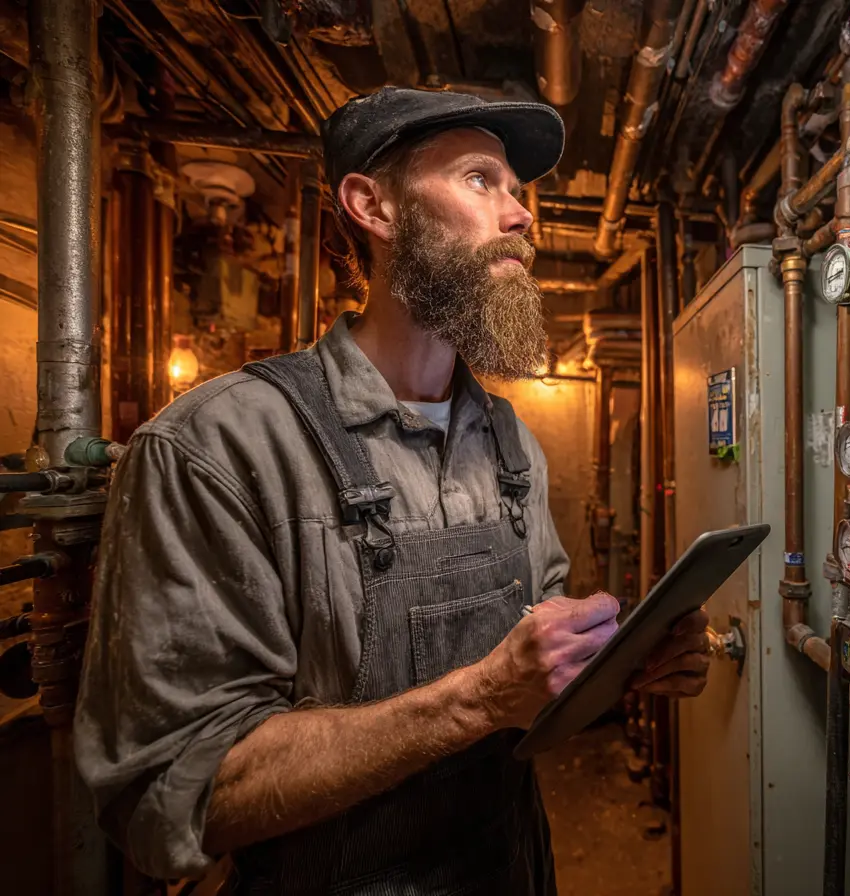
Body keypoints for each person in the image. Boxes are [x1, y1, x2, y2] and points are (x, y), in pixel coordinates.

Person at [73, 88, 712, 894]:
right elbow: (170, 796)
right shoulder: (219, 447)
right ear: (372, 206)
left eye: (518, 190)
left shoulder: (511, 443)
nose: (521, 215)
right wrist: (479, 699)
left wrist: (615, 663)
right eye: (480, 179)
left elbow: (535, 681)